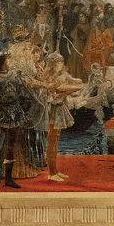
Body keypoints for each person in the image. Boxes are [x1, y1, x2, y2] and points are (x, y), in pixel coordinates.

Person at [0, 50, 40, 192]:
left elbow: (23, 91)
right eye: (7, 60)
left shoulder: (14, 75)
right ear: (1, 62)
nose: (9, 62)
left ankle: (8, 179)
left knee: (10, 146)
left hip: (15, 114)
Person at [38, 52, 83, 182]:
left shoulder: (55, 77)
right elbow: (55, 97)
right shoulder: (49, 78)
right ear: (54, 64)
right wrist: (69, 91)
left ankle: (55, 171)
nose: (62, 65)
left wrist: (68, 89)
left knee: (55, 140)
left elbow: (64, 88)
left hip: (57, 110)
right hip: (52, 111)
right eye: (60, 63)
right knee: (52, 141)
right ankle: (52, 173)